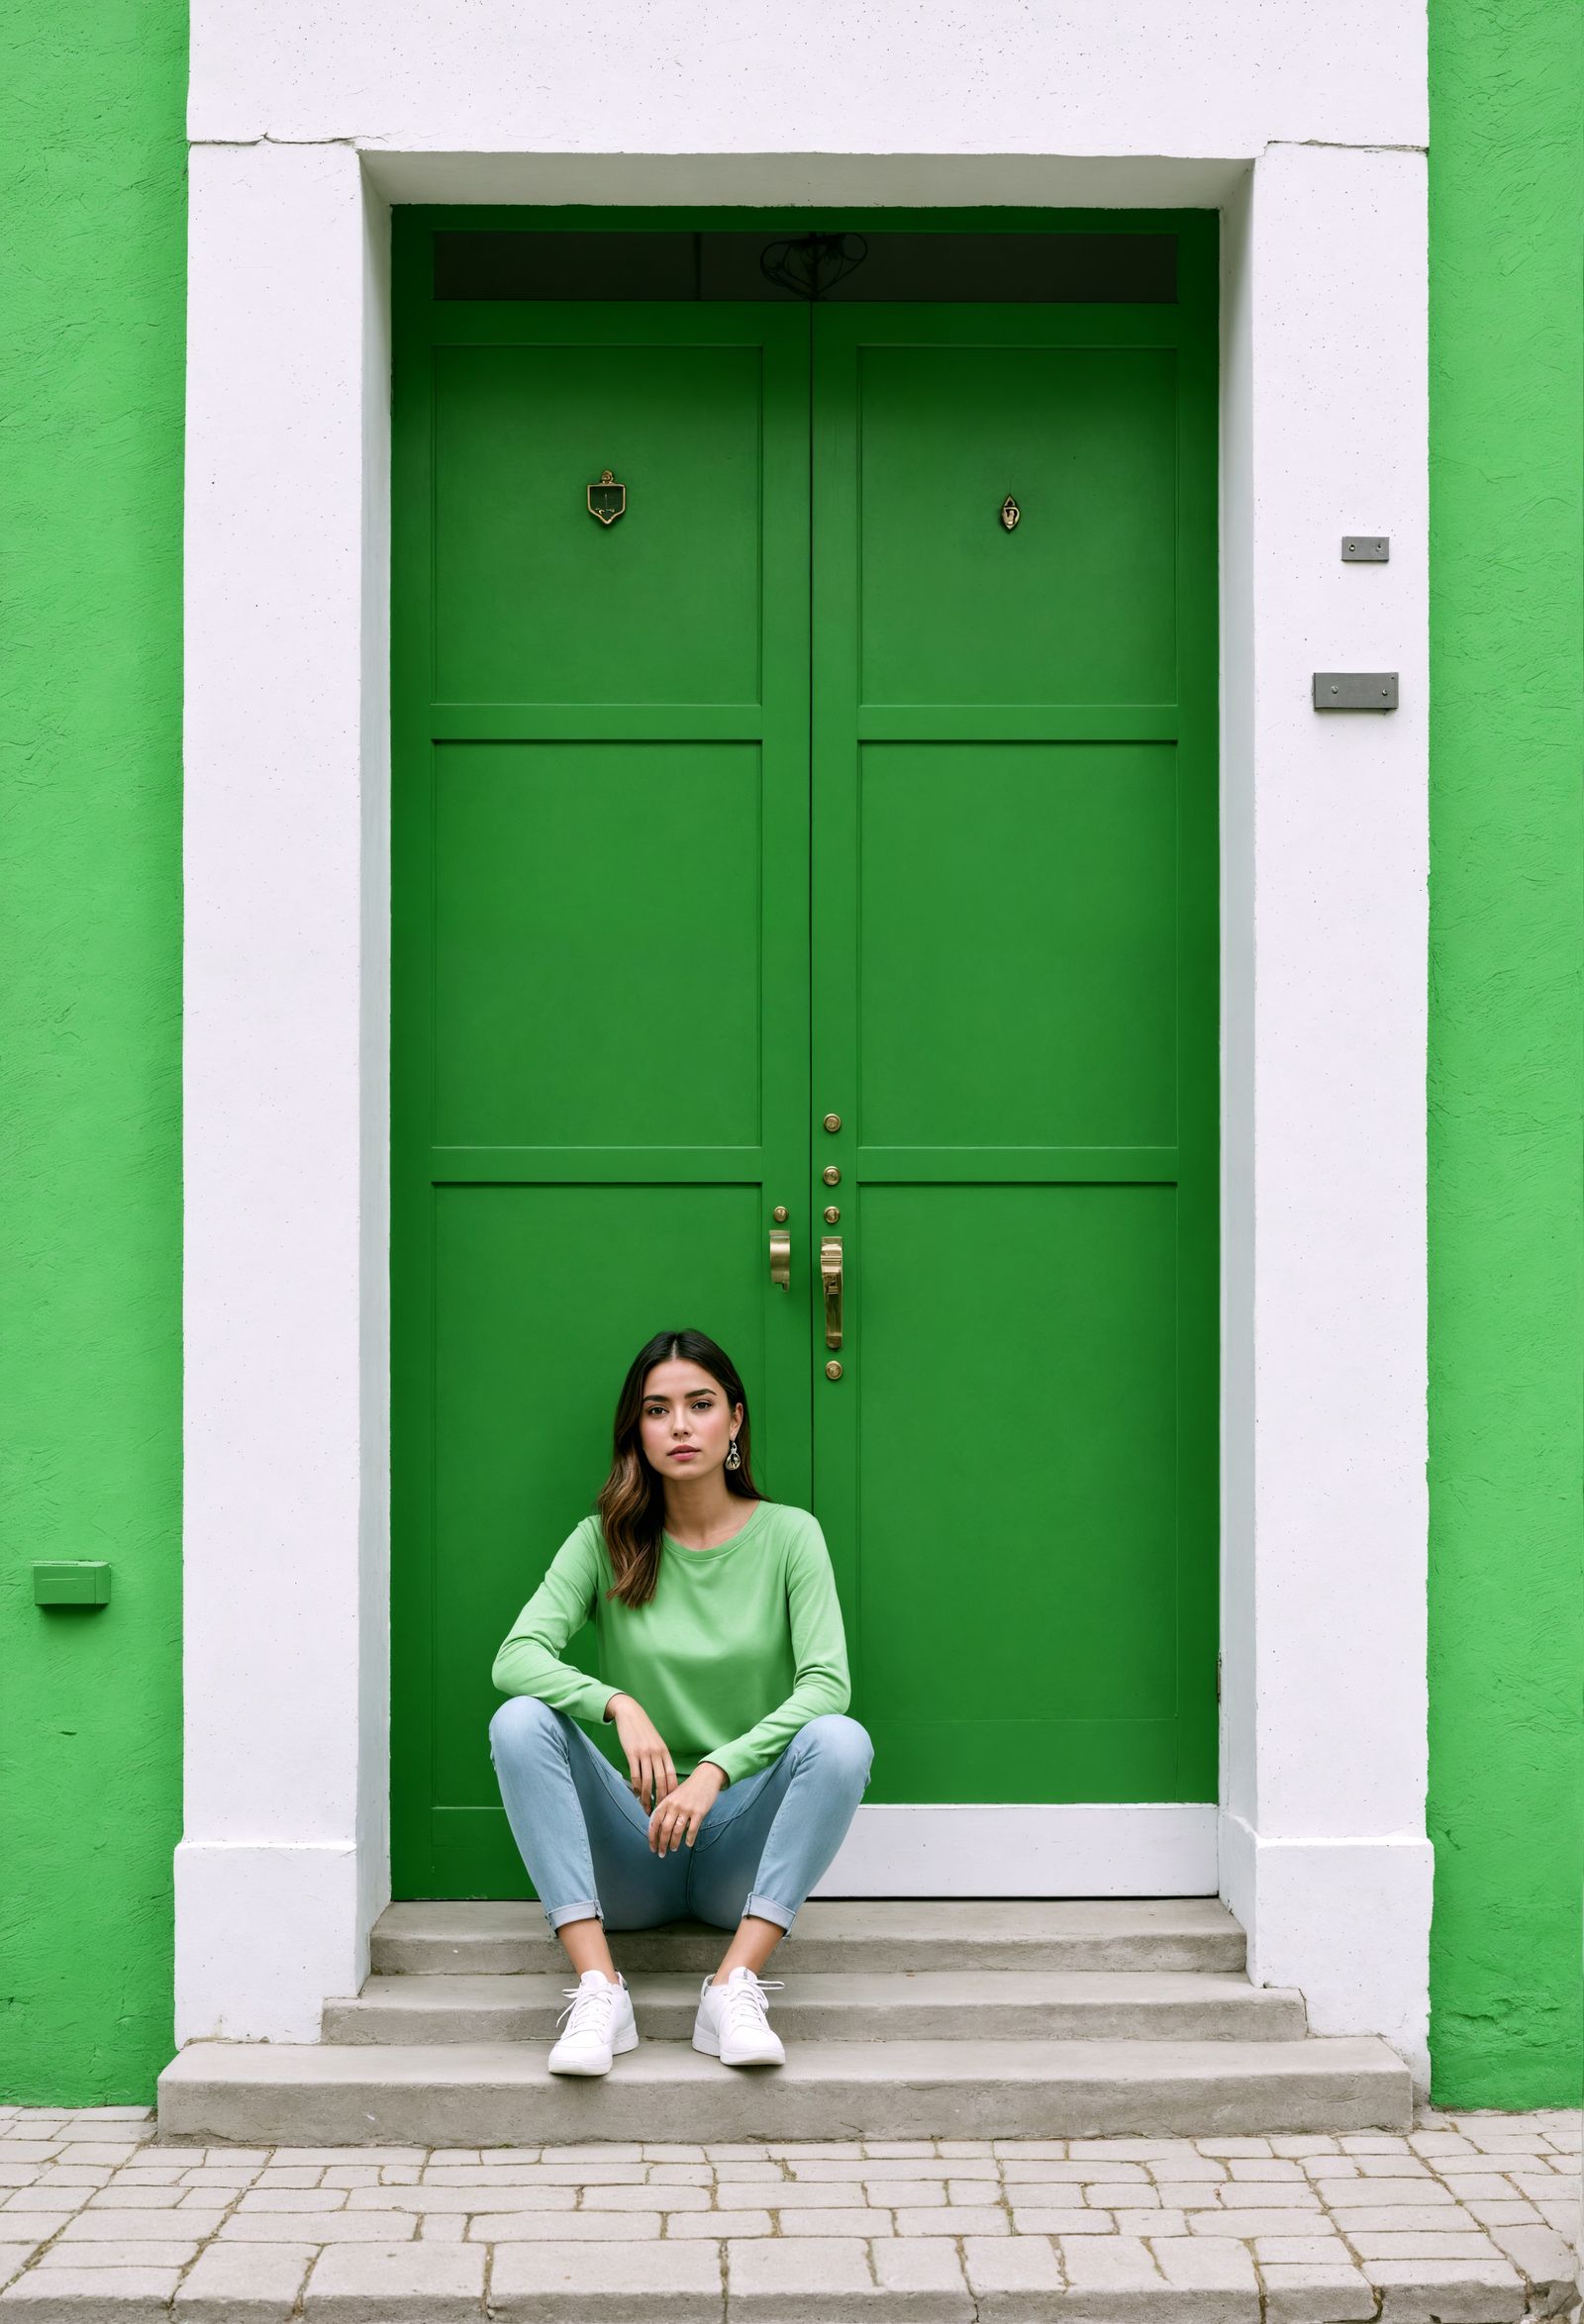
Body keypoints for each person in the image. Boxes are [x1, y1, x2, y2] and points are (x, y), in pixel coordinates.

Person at [487, 1327, 873, 2078]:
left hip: (737, 1847)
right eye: (658, 1410)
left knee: (841, 1738)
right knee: (520, 1720)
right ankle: (600, 1989)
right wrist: (615, 1702)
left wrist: (717, 1771)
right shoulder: (603, 1541)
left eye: (699, 1405)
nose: (681, 1426)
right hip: (633, 1849)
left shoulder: (792, 1536)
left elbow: (827, 1683)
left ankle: (734, 1985)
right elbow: (516, 1658)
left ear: (734, 1420)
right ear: (638, 1430)